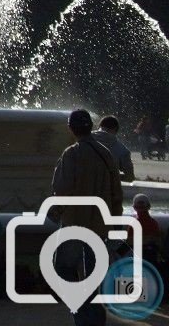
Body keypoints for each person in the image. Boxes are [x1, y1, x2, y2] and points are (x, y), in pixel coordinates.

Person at [51, 108, 123, 326]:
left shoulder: (72, 153)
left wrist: (55, 212)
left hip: (75, 223)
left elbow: (61, 188)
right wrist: (115, 219)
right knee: (93, 272)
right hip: (99, 225)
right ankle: (93, 313)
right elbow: (116, 191)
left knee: (62, 269)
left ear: (71, 128)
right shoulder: (105, 153)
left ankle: (82, 311)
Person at [91, 115, 135, 182]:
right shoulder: (122, 150)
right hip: (106, 190)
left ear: (99, 126)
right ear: (115, 130)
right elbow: (130, 177)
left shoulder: (80, 142)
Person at [130, 193, 161, 266]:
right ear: (149, 207)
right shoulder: (154, 223)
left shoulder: (133, 224)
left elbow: (128, 242)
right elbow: (159, 243)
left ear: (134, 208)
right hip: (150, 258)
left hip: (138, 257)